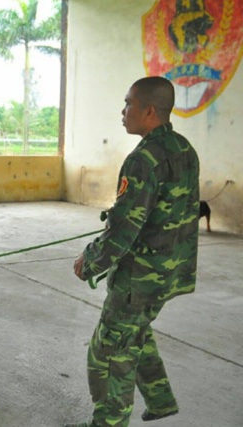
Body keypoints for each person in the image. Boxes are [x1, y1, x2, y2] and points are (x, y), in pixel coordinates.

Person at [67, 76, 200, 427]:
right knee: (134, 331)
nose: (123, 112)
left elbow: (125, 226)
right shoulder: (184, 148)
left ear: (150, 110)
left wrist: (90, 261)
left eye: (128, 104)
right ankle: (159, 398)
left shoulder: (143, 159)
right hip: (170, 271)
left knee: (108, 353)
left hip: (140, 277)